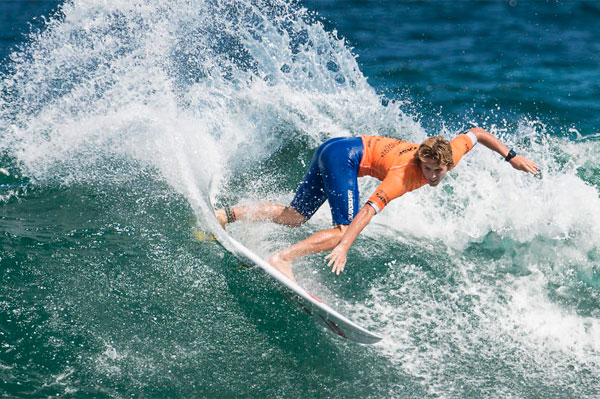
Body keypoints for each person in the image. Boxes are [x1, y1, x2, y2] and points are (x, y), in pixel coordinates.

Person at [215, 127, 539, 282]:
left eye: (438, 170)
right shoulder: (404, 175)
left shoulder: (451, 150)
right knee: (343, 230)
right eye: (427, 168)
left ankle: (226, 215)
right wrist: (344, 245)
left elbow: (478, 133)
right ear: (421, 161)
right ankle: (282, 259)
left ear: (449, 164)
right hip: (344, 158)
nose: (432, 175)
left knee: (295, 216)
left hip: (334, 147)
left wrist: (511, 157)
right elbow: (368, 210)